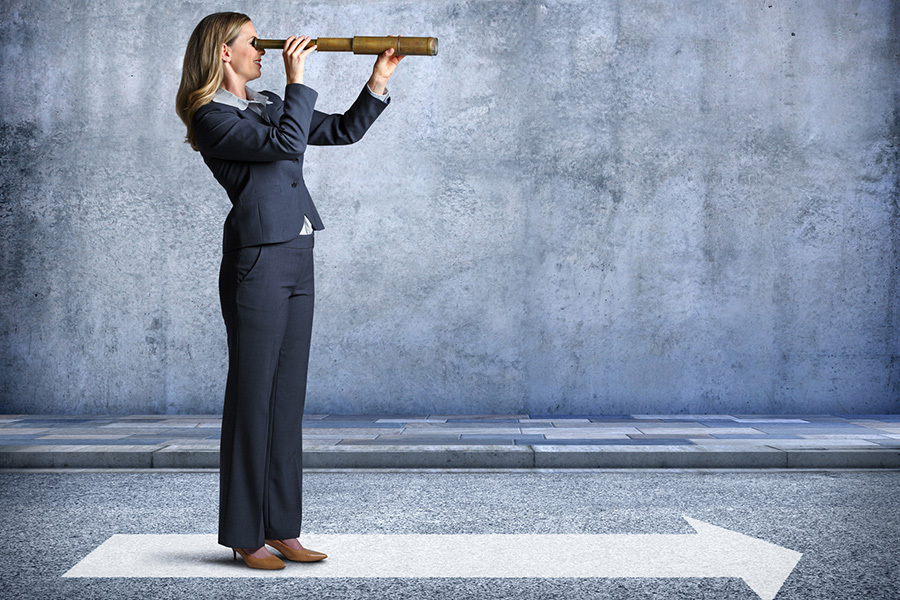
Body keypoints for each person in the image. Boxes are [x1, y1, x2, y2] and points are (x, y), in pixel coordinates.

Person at [175, 12, 402, 570]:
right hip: (256, 260)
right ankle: (242, 534)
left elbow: (342, 130)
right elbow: (284, 145)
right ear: (224, 53)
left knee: (286, 398)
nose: (264, 50)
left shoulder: (273, 102)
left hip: (298, 254)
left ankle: (281, 527)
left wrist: (377, 81)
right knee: (253, 397)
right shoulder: (210, 117)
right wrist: (299, 81)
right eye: (254, 42)